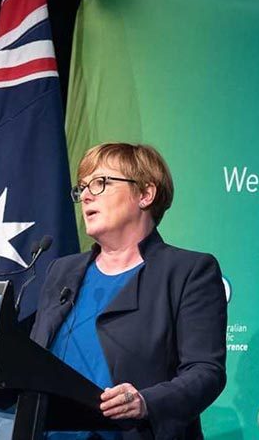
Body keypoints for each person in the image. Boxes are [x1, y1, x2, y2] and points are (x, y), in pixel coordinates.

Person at [30, 143, 227, 440]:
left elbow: (205, 371)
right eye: (82, 187)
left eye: (100, 183)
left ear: (146, 194)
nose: (85, 196)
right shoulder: (61, 271)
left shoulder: (188, 271)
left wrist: (145, 402)